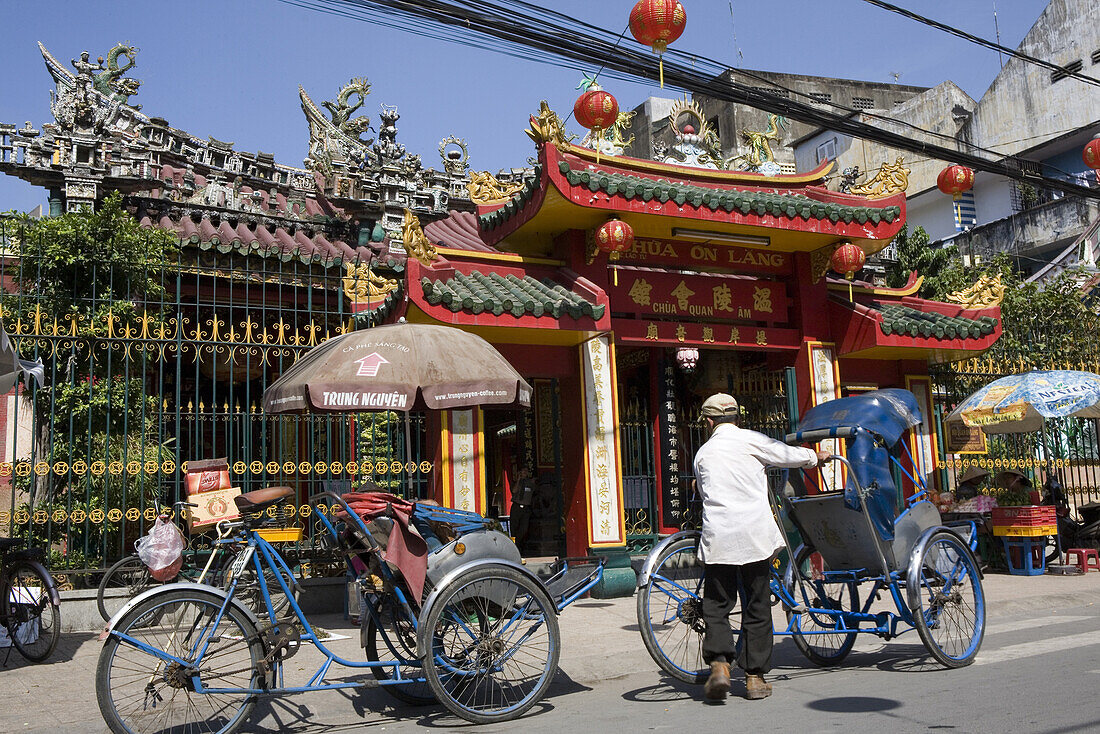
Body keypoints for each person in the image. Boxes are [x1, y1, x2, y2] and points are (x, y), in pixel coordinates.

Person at [693, 393, 830, 703]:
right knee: (756, 604)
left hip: (720, 538)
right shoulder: (751, 439)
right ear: (737, 418)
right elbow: (785, 454)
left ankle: (720, 666)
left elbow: (703, 492)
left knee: (717, 605)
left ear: (709, 422)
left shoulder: (703, 453)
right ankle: (754, 678)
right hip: (754, 536)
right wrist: (814, 458)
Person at [509, 465, 535, 553]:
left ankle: (518, 544)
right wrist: (519, 480)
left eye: (526, 472)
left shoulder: (530, 483)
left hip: (526, 508)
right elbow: (514, 491)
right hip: (517, 506)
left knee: (524, 528)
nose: (524, 473)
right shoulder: (516, 482)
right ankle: (514, 546)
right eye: (523, 472)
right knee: (514, 527)